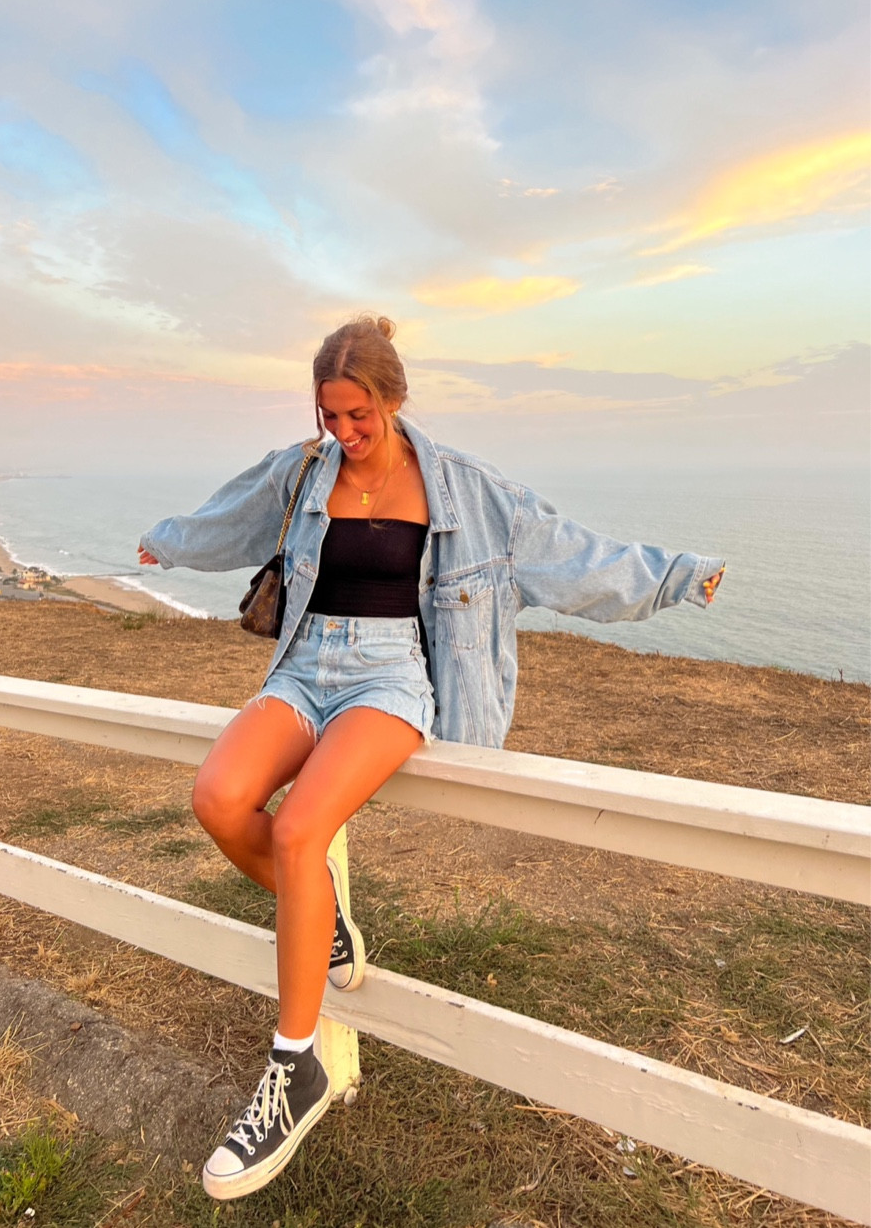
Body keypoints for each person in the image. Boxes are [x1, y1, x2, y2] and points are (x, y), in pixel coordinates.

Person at [137, 314, 725, 1201]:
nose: (343, 432)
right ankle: (324, 920)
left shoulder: (467, 491)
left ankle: (295, 1067)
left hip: (389, 680)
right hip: (301, 665)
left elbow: (574, 555)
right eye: (329, 415)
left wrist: (676, 574)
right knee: (217, 799)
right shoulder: (303, 470)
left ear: (394, 398)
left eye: (358, 415)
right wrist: (168, 540)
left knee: (297, 830)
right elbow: (231, 517)